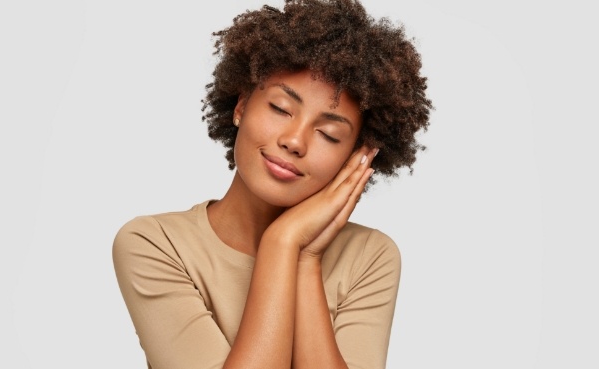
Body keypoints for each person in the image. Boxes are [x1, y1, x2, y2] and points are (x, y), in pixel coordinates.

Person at [112, 0, 432, 368]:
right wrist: (283, 245)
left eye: (328, 134)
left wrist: (303, 255)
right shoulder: (155, 244)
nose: (294, 141)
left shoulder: (370, 257)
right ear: (241, 106)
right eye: (280, 109)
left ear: (355, 156)